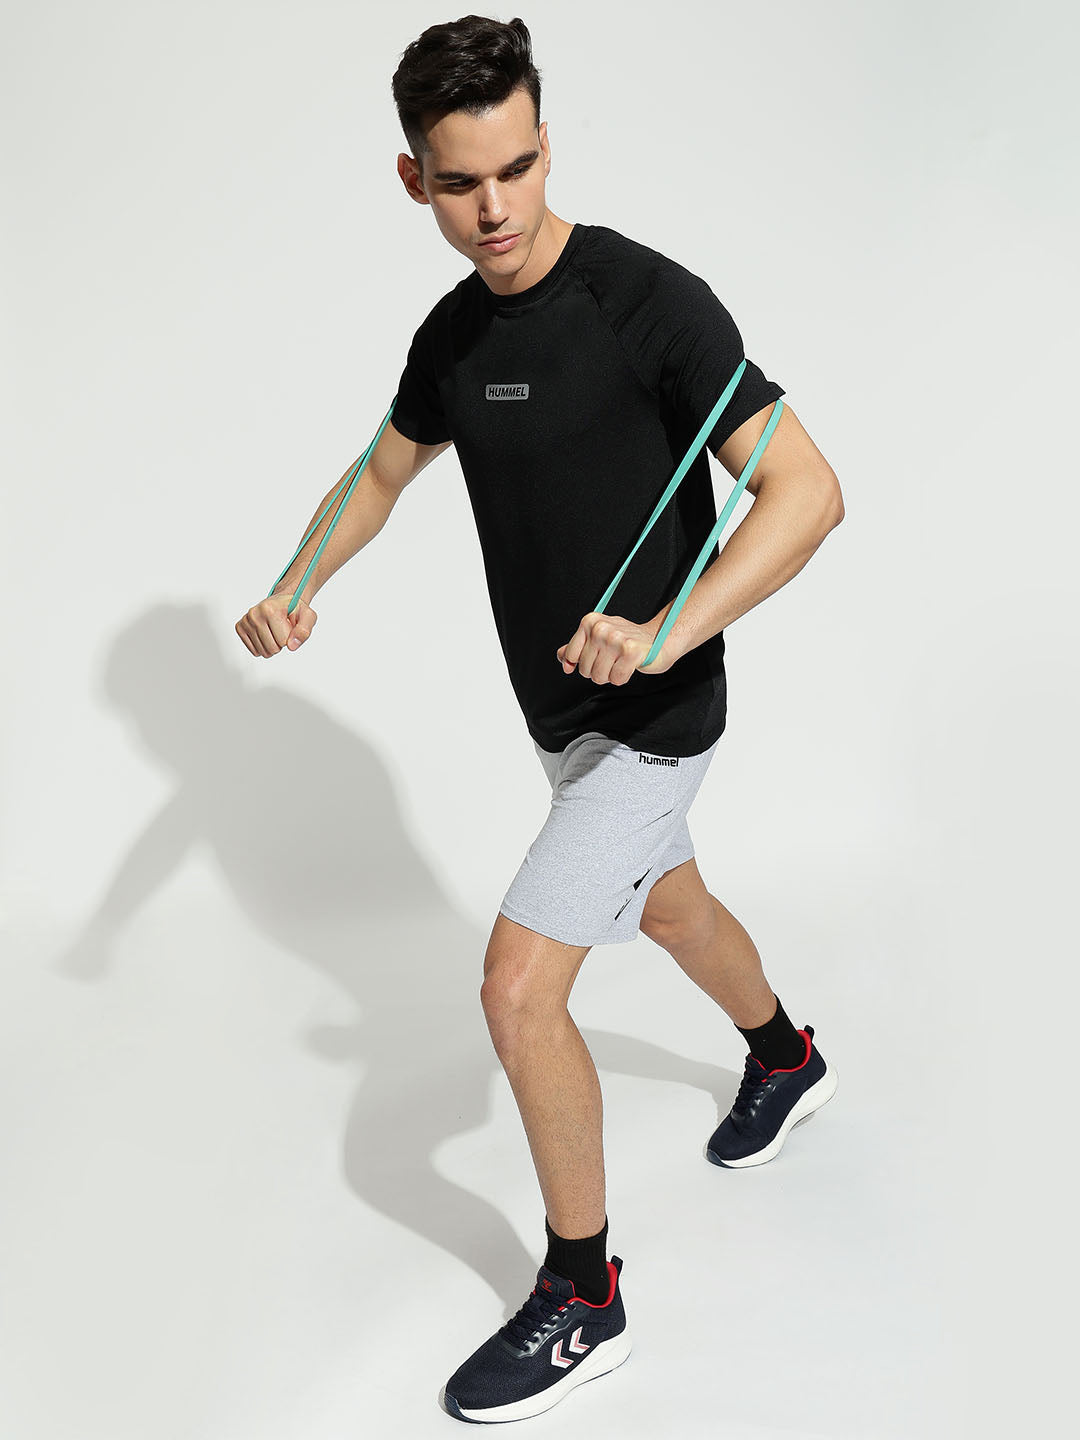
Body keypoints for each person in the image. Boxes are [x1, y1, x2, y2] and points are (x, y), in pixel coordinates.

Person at [236, 13, 844, 1426]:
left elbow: (809, 492)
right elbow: (380, 474)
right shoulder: (455, 336)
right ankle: (786, 1056)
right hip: (560, 718)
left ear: (547, 144)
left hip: (660, 713)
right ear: (415, 180)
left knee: (519, 988)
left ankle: (585, 1296)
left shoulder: (649, 304)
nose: (496, 210)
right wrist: (298, 581)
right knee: (672, 908)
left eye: (516, 168)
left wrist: (665, 631)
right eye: (461, 183)